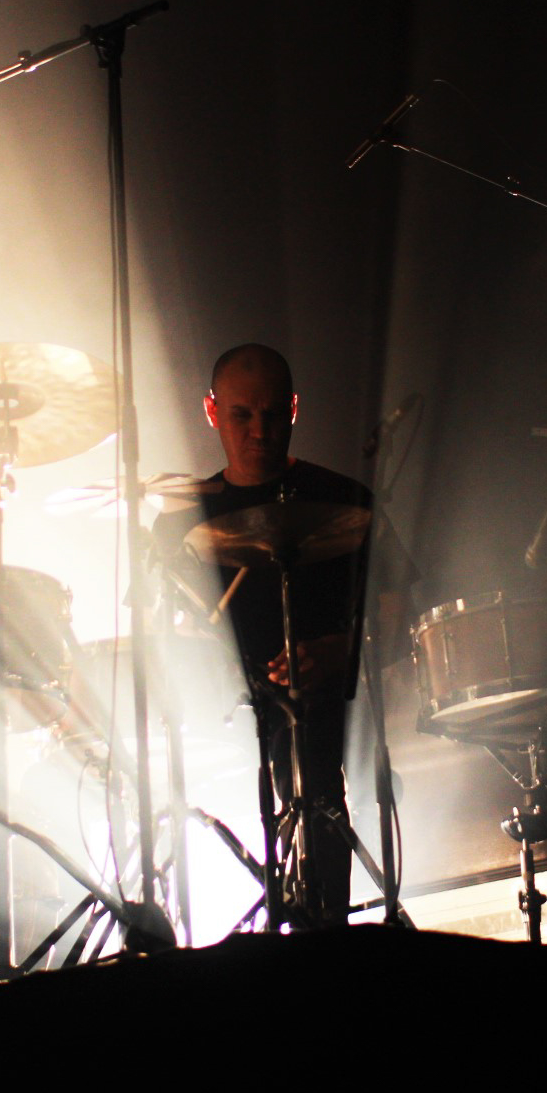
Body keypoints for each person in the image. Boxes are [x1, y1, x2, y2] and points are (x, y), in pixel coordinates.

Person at [151, 343, 414, 923]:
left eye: (273, 414)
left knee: (311, 754)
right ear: (212, 412)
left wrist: (346, 651)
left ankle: (321, 926)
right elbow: (157, 627)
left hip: (313, 711)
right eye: (242, 414)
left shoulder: (343, 500)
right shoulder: (179, 519)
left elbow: (398, 606)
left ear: (294, 409)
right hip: (214, 713)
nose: (260, 430)